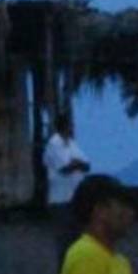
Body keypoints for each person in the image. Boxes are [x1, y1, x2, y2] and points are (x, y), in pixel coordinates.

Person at [43, 113, 91, 265]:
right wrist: (76, 163)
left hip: (75, 198)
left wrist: (76, 163)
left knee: (77, 240)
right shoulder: (54, 144)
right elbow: (64, 168)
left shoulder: (71, 143)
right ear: (65, 126)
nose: (73, 127)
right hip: (60, 200)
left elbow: (86, 165)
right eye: (71, 125)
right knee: (65, 242)